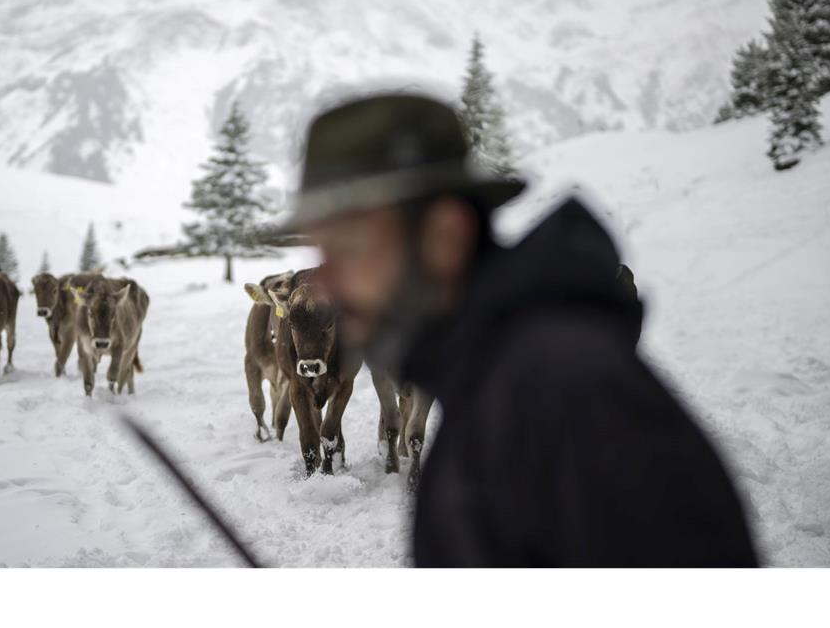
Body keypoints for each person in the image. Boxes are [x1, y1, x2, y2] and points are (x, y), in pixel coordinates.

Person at [281, 93, 757, 567]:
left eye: (346, 250)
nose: (324, 283)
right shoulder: (492, 379)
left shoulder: (572, 400)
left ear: (444, 236)